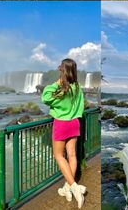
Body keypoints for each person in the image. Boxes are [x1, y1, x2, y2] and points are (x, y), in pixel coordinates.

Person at [41, 58, 86, 208]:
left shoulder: (59, 88)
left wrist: (57, 82)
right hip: (74, 123)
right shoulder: (77, 88)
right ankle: (67, 189)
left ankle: (74, 188)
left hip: (61, 123)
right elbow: (81, 105)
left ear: (62, 70)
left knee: (59, 155)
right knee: (72, 155)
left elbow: (45, 98)